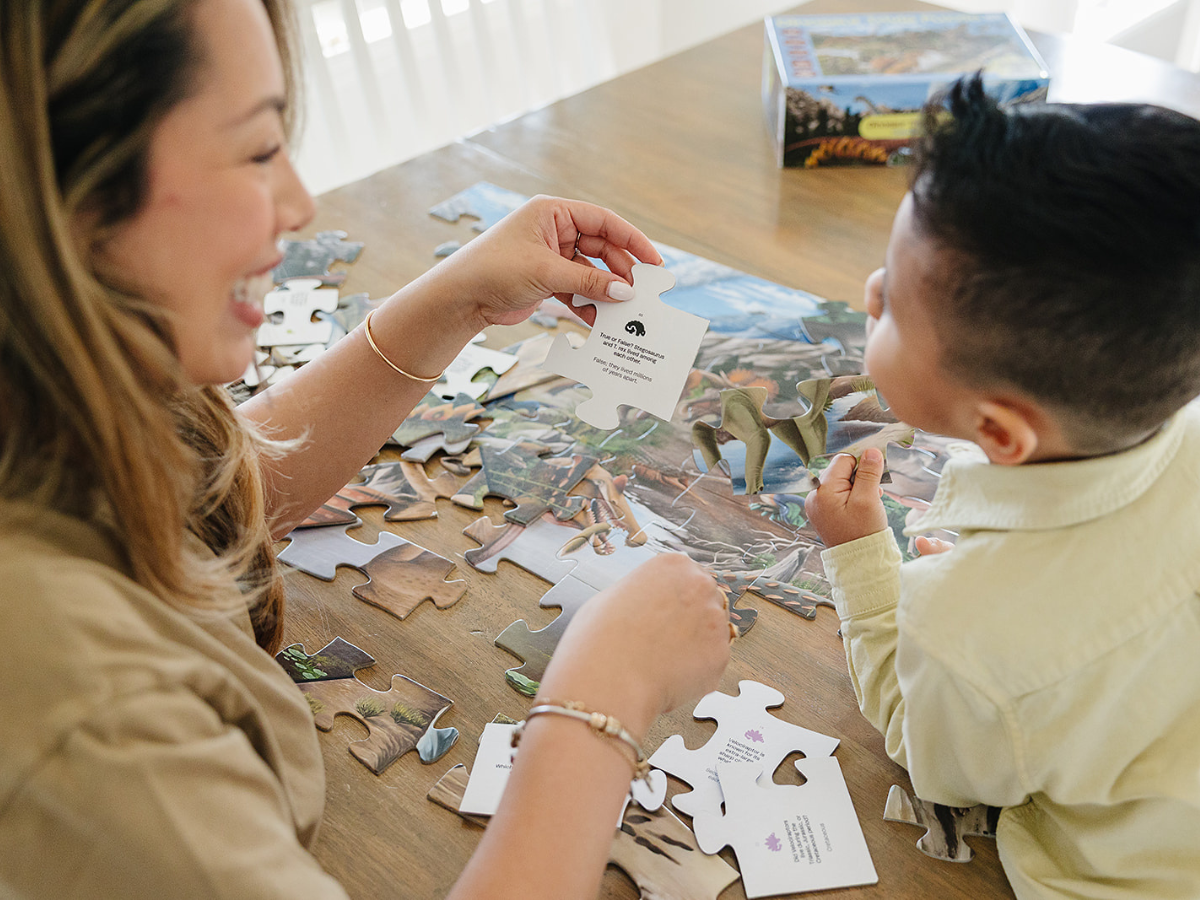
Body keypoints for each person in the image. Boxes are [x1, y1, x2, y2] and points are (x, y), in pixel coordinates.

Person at [0, 0, 732, 897]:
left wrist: (455, 298)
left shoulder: (49, 404)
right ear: (56, 198)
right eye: (259, 149)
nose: (300, 204)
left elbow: (194, 511)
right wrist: (600, 699)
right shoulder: (83, 721)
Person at [805, 75, 1200, 900]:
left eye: (891, 311)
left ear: (997, 432)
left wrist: (862, 565)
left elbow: (933, 754)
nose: (871, 294)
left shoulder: (965, 630)